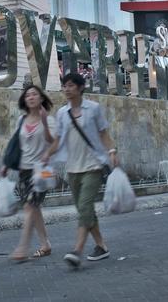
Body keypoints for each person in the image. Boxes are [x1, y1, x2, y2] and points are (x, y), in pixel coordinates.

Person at [42, 71, 120, 268]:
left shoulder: (93, 108)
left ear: (80, 87)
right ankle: (101, 246)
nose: (66, 89)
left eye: (70, 85)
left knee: (84, 207)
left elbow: (104, 133)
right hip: (73, 168)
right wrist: (47, 155)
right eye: (64, 86)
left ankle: (77, 250)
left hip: (93, 165)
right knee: (85, 210)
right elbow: (58, 139)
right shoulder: (61, 113)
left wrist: (111, 151)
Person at [1, 84, 56, 262]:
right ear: (25, 100)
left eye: (34, 94)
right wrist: (7, 165)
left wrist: (45, 122)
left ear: (41, 98)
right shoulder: (21, 121)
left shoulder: (49, 119)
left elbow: (52, 141)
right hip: (25, 170)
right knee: (34, 208)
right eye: (28, 95)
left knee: (29, 207)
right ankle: (45, 244)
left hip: (43, 171)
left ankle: (22, 247)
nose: (31, 97)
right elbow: (16, 145)